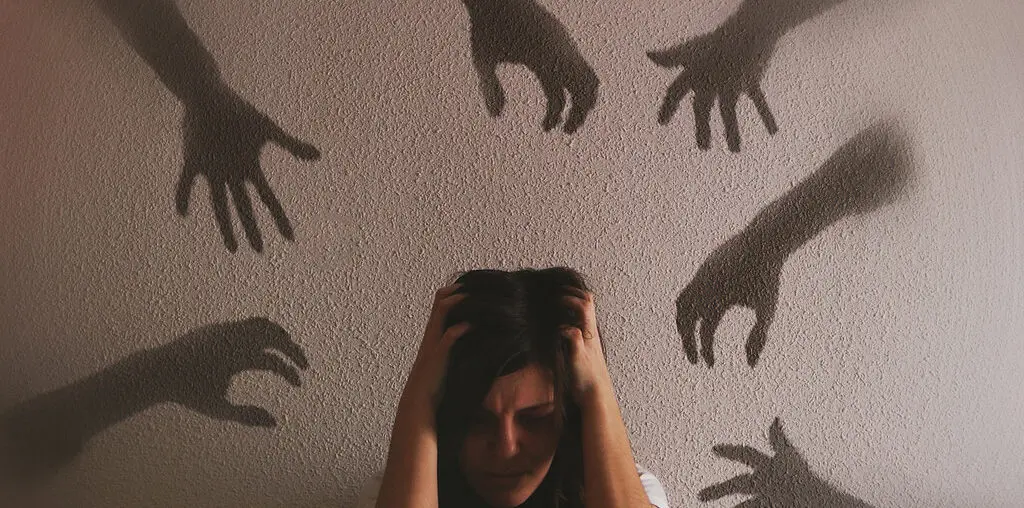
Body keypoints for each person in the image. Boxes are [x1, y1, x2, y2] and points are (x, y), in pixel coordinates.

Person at [363, 268, 669, 507]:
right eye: (477, 419)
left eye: (536, 418)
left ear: (569, 415)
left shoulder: (634, 489)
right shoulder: (396, 490)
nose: (506, 447)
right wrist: (420, 397)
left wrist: (595, 391)